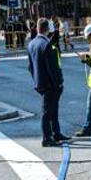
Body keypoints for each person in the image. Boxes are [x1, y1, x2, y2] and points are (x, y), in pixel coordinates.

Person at [26, 18, 67, 147]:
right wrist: (58, 82)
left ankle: (56, 133)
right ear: (47, 29)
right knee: (48, 111)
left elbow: (30, 66)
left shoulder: (31, 44)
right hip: (50, 84)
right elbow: (52, 68)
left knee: (52, 109)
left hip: (40, 82)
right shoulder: (47, 44)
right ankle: (47, 137)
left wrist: (36, 80)